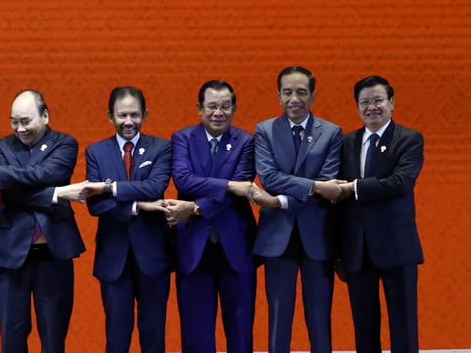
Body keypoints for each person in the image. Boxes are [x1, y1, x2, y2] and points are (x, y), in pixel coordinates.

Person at [0, 89, 86, 353]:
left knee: (53, 337)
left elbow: (50, 172)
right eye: (14, 121)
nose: (19, 128)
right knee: (11, 339)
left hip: (54, 253)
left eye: (26, 121)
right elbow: (9, 191)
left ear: (45, 116)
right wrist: (57, 194)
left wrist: (2, 172)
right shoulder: (0, 146)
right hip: (10, 254)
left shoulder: (65, 143)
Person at [252, 66, 343, 353]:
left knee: (319, 317)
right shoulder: (264, 130)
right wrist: (314, 187)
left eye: (301, 92)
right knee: (279, 317)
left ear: (313, 95)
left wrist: (283, 196)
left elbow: (330, 179)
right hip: (277, 235)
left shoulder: (331, 132)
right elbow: (268, 177)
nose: (295, 98)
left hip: (317, 235)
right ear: (278, 96)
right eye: (288, 92)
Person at [170, 80, 263, 353]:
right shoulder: (183, 138)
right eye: (212, 106)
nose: (218, 113)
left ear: (234, 109)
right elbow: (184, 180)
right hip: (193, 249)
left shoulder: (246, 141)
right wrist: (229, 185)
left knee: (241, 333)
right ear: (199, 108)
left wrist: (196, 207)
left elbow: (242, 186)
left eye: (225, 106)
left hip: (236, 247)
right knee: (196, 336)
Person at [334, 76, 424, 353]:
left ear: (391, 103)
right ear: (357, 106)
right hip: (358, 249)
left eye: (378, 100)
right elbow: (337, 201)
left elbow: (401, 182)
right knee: (364, 325)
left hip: (397, 246)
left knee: (404, 324)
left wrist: (354, 187)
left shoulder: (409, 139)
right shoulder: (346, 142)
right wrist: (338, 250)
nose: (371, 107)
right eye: (365, 102)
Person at [83, 86, 173, 353]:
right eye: (122, 115)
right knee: (116, 338)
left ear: (145, 114)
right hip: (114, 258)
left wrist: (110, 188)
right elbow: (95, 205)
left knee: (154, 335)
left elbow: (156, 187)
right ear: (110, 116)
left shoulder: (161, 147)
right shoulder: (96, 151)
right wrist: (139, 205)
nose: (128, 122)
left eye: (135, 115)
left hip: (153, 256)